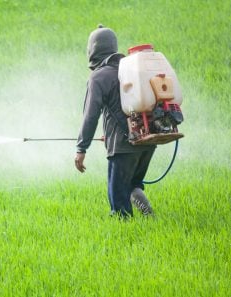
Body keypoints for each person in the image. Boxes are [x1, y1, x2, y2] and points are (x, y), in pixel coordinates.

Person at [75, 25, 156, 218]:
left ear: (93, 49)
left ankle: (127, 236)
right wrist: (109, 134)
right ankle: (148, 216)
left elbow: (90, 115)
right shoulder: (130, 69)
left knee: (118, 205)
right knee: (132, 184)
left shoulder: (98, 76)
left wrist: (81, 148)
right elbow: (123, 106)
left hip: (123, 146)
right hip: (149, 139)